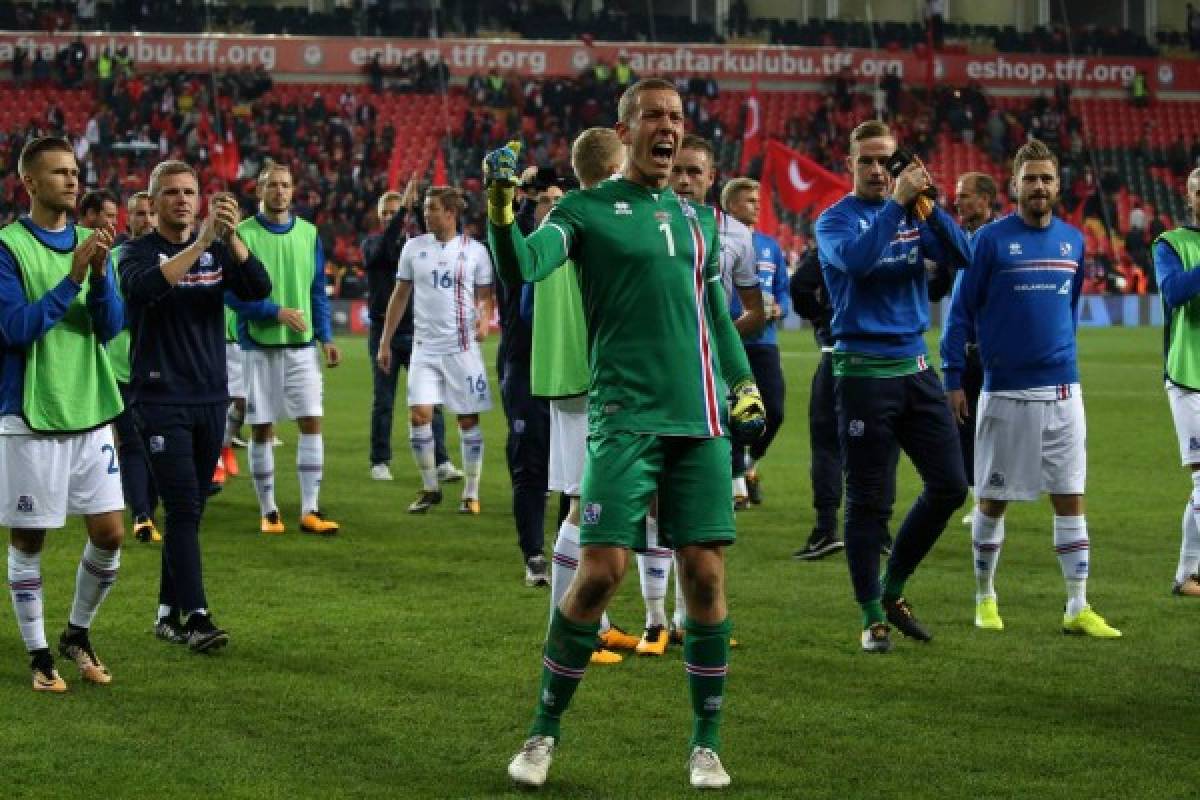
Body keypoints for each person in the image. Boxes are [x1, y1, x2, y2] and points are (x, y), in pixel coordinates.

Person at [488, 78, 765, 790]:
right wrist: (500, 210)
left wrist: (743, 385)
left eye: (675, 116)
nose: (666, 126)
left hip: (699, 424)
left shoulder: (700, 220)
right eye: (653, 116)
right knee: (600, 573)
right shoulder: (584, 210)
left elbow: (713, 318)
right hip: (623, 419)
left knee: (704, 577)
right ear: (627, 129)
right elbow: (523, 263)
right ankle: (542, 733)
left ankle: (706, 744)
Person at [944, 139, 1120, 638]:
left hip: (1065, 392)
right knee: (993, 501)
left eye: (1046, 178)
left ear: (1057, 185)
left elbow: (1069, 309)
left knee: (1070, 497)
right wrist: (953, 376)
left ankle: (1077, 606)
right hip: (1007, 393)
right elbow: (959, 314)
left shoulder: (1072, 241)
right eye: (1030, 179)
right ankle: (985, 597)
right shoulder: (990, 242)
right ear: (1014, 185)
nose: (1039, 186)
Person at [815, 119, 970, 653]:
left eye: (888, 161)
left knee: (951, 486)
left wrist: (930, 204)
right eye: (868, 161)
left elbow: (964, 256)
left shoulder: (911, 212)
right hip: (862, 374)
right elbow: (858, 263)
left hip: (916, 368)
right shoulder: (834, 222)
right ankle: (869, 615)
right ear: (850, 166)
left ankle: (894, 590)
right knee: (869, 503)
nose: (879, 170)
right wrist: (896, 207)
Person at [121, 163, 271, 651]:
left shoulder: (217, 249)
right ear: (153, 200)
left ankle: (167, 612)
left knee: (190, 511)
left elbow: (258, 288)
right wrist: (202, 244)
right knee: (184, 506)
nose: (182, 200)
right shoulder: (137, 253)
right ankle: (199, 617)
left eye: (189, 192)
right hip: (161, 398)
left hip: (211, 395)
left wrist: (233, 240)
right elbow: (145, 290)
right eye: (171, 193)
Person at [633, 133, 765, 659]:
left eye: (696, 172)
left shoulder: (729, 235)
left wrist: (723, 346)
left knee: (701, 518)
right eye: (679, 170)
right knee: (652, 502)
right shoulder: (643, 220)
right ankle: (654, 617)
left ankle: (692, 616)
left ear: (712, 180)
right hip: (649, 379)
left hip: (706, 388)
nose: (685, 179)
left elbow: (751, 307)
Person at [0, 136, 123, 692]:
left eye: (75, 171)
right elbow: (15, 329)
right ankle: (39, 654)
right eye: (58, 173)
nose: (72, 181)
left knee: (111, 534)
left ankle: (77, 633)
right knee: (30, 540)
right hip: (30, 413)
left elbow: (111, 326)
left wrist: (98, 279)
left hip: (91, 407)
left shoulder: (92, 244)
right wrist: (72, 276)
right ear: (29, 182)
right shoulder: (7, 247)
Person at [528, 127, 641, 662]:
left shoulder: (564, 217)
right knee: (583, 505)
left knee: (588, 502)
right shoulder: (592, 219)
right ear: (616, 166)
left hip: (564, 374)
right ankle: (567, 627)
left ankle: (593, 620)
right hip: (589, 375)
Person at [228, 162, 341, 536]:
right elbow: (229, 295)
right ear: (259, 190)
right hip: (257, 347)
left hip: (302, 347)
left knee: (312, 421)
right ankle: (269, 511)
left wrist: (326, 338)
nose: (279, 191)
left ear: (293, 191)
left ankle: (310, 509)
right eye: (272, 185)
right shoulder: (241, 233)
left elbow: (315, 292)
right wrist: (272, 312)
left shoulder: (309, 234)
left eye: (286, 185)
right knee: (262, 428)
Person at [377, 187, 495, 515]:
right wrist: (385, 342)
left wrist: (484, 321)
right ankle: (430, 487)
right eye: (425, 208)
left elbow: (485, 295)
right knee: (419, 415)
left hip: (463, 348)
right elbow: (400, 295)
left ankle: (471, 492)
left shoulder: (475, 251)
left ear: (450, 212)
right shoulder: (414, 248)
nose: (425, 214)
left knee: (467, 419)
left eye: (432, 209)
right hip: (424, 349)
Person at [362, 183, 458, 484]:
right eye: (386, 214)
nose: (390, 218)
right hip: (384, 331)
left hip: (418, 330)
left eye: (395, 213)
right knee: (384, 400)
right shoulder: (372, 244)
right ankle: (380, 461)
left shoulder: (421, 247)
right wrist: (403, 211)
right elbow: (380, 253)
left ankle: (441, 460)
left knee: (432, 401)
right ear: (380, 218)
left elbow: (439, 234)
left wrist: (416, 207)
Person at [497, 168, 558, 586]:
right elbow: (507, 238)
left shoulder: (578, 251)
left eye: (558, 201)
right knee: (529, 467)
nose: (551, 208)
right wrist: (519, 198)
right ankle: (534, 553)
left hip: (572, 374)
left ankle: (574, 552)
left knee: (575, 473)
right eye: (543, 202)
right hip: (525, 372)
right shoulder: (518, 252)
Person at [721, 177, 790, 506]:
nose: (757, 205)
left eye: (758, 199)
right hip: (732, 337)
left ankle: (750, 463)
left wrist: (780, 307)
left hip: (765, 340)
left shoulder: (770, 245)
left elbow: (782, 289)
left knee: (774, 410)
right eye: (749, 200)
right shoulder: (717, 242)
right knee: (732, 409)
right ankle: (737, 486)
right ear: (731, 205)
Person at [1152, 165, 1200, 597]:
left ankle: (1186, 576)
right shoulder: (1170, 244)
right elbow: (1174, 292)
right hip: (1188, 376)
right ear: (1189, 197)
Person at [940, 172, 997, 526]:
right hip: (969, 351)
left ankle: (990, 501)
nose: (957, 201)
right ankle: (982, 502)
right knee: (965, 428)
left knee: (989, 428)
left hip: (992, 354)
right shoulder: (965, 240)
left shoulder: (993, 241)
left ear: (985, 200)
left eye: (964, 196)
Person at [106, 189, 161, 544]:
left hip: (162, 366)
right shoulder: (112, 259)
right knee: (132, 442)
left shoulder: (173, 257)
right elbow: (110, 313)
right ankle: (141, 514)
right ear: (129, 218)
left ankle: (149, 508)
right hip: (122, 366)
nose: (145, 219)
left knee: (158, 442)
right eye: (138, 213)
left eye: (149, 213)